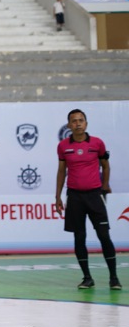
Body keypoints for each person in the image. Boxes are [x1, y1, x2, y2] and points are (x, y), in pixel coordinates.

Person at [55, 109, 121, 290]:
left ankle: (114, 278)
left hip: (94, 196)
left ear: (86, 123)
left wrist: (104, 186)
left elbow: (105, 166)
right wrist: (57, 196)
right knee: (79, 238)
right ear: (69, 125)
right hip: (74, 197)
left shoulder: (97, 143)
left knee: (104, 236)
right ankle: (87, 278)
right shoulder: (63, 146)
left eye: (81, 120)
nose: (78, 123)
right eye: (74, 121)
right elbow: (61, 171)